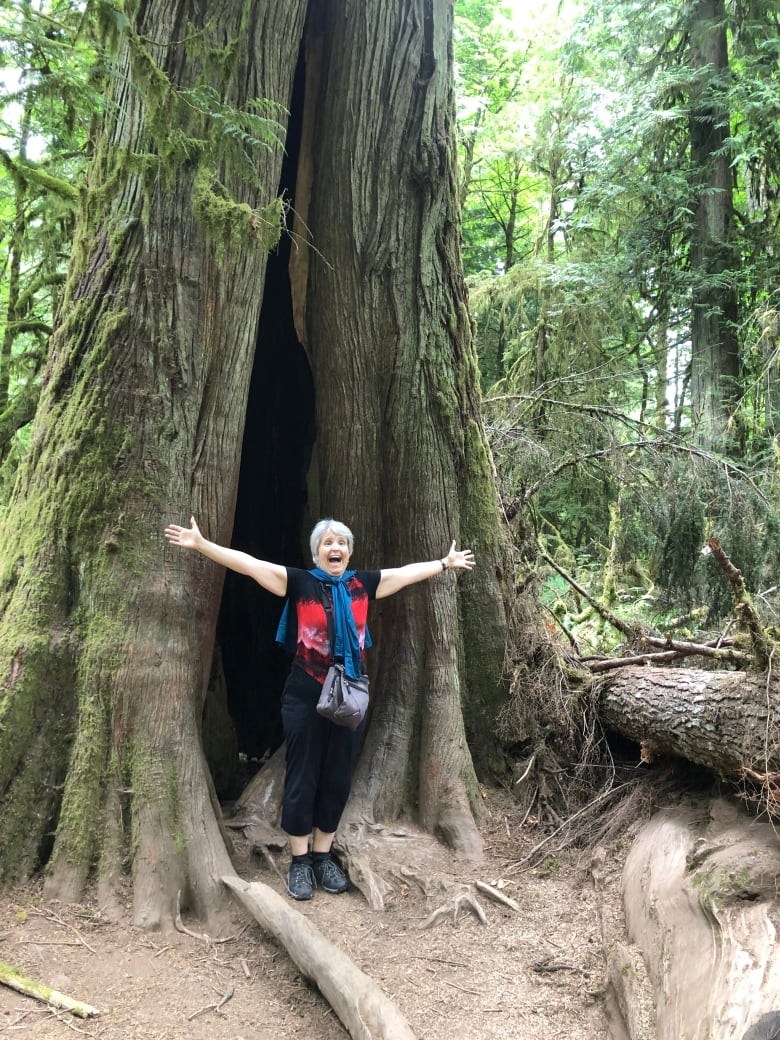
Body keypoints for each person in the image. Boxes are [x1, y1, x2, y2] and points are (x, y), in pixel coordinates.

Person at [164, 515, 475, 901]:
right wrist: (202, 545)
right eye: (327, 542)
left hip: (349, 693)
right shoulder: (300, 582)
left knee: (338, 775)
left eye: (341, 542)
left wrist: (444, 564)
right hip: (306, 692)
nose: (335, 548)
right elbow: (249, 564)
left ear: (348, 551)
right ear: (317, 552)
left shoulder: (362, 584)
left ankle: (324, 855)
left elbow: (404, 574)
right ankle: (299, 862)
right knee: (303, 775)